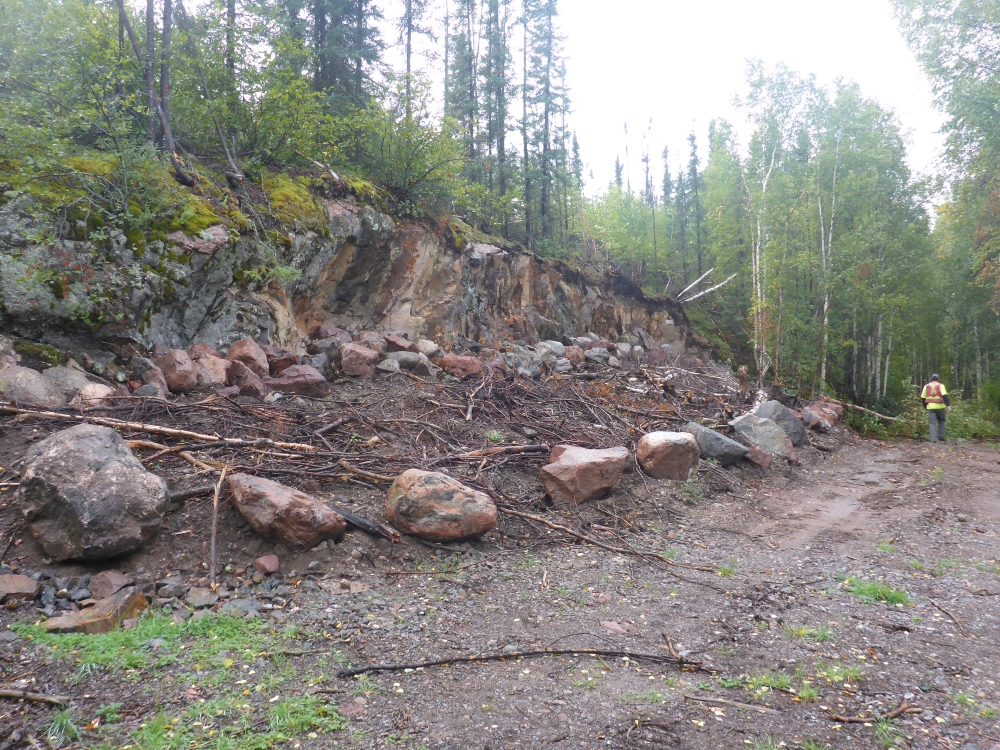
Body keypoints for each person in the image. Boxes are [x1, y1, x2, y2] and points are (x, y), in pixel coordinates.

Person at [920, 374, 951, 442]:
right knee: (942, 421)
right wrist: (948, 405)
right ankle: (941, 437)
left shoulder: (926, 386)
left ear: (931, 379)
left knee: (932, 423)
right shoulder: (941, 385)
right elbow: (944, 396)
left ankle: (932, 439)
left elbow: (923, 398)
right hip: (940, 407)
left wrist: (925, 407)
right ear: (938, 379)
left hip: (930, 407)